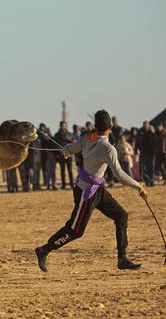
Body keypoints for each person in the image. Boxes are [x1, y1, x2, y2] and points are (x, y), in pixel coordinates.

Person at [35, 110, 147, 273]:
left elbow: (71, 148)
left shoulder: (88, 138)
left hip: (97, 190)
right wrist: (139, 187)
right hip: (87, 193)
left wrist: (65, 150)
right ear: (110, 127)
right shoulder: (107, 148)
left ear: (95, 126)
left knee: (121, 215)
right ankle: (44, 250)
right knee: (75, 230)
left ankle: (122, 259)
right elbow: (120, 175)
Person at [138, 121, 156, 186]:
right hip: (143, 152)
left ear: (149, 125)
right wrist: (136, 149)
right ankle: (147, 181)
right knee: (144, 168)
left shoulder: (152, 133)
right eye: (144, 124)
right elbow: (137, 141)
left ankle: (152, 180)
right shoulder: (140, 132)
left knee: (151, 167)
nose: (145, 125)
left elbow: (155, 141)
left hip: (151, 152)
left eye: (147, 124)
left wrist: (153, 132)